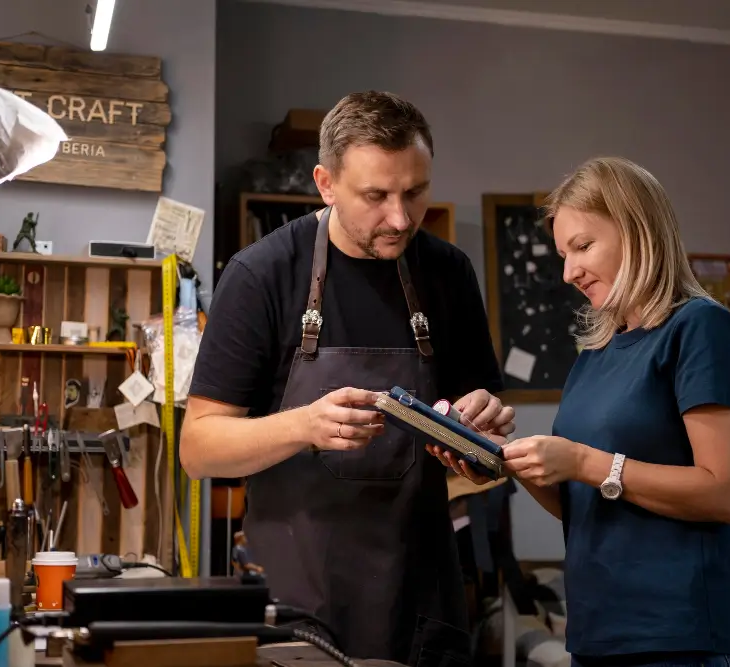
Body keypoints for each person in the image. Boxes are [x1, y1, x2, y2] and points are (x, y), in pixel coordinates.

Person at [180, 90, 515, 666]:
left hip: (421, 598)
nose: (401, 217)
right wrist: (305, 425)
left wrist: (482, 433)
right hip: (299, 605)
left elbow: (485, 453)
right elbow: (199, 448)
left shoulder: (448, 273)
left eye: (415, 192)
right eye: (375, 196)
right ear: (325, 183)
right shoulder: (261, 276)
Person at [432, 157, 730, 667]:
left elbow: (726, 494)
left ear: (638, 230)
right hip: (596, 636)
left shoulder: (701, 330)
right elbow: (586, 504)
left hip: (679, 641)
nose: (569, 272)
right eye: (563, 254)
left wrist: (584, 462)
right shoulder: (595, 354)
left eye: (583, 247)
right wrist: (495, 456)